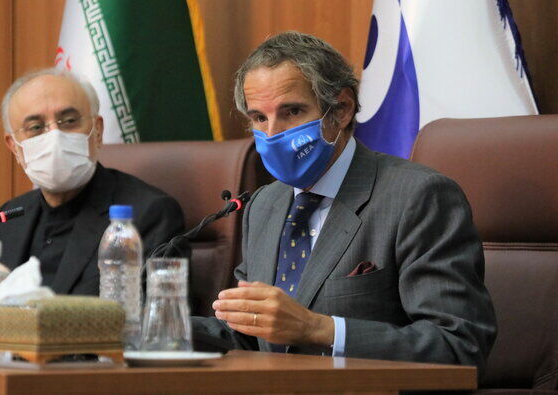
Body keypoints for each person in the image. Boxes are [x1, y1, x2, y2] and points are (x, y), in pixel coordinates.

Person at [194, 32, 497, 371]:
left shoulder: (418, 197)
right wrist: (155, 329)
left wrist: (319, 329)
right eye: (259, 118)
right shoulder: (265, 204)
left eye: (291, 111)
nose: (273, 133)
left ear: (341, 109)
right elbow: (249, 336)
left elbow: (458, 345)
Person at [0, 68, 185, 294]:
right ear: (14, 147)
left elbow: (153, 310)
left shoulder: (149, 214)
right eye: (36, 127)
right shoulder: (9, 219)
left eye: (69, 121)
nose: (54, 136)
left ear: (97, 131)